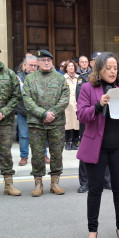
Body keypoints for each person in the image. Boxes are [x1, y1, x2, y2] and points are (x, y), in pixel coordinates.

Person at [76, 52, 119, 238]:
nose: (112, 72)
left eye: (115, 68)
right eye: (108, 68)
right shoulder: (88, 88)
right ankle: (92, 231)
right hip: (97, 147)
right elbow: (81, 115)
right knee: (95, 190)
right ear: (99, 70)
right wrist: (98, 105)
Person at [22, 49, 70, 196]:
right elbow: (27, 99)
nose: (46, 62)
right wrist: (42, 113)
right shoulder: (30, 79)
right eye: (43, 60)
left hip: (56, 123)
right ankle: (38, 183)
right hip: (37, 123)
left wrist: (52, 113)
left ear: (52, 62)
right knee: (37, 153)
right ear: (38, 62)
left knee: (56, 153)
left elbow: (65, 98)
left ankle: (55, 182)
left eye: (48, 60)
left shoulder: (60, 78)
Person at [75, 51, 112, 194]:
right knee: (87, 151)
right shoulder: (84, 79)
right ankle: (85, 182)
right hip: (89, 119)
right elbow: (81, 101)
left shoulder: (112, 82)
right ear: (92, 63)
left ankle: (106, 179)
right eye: (96, 60)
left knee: (106, 149)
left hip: (106, 120)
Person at [17, 55, 51, 166]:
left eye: (35, 66)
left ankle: (44, 155)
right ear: (25, 65)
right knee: (23, 135)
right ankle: (24, 156)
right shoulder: (18, 77)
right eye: (31, 65)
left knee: (41, 135)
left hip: (38, 112)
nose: (33, 68)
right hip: (23, 111)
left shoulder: (41, 76)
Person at [0, 60, 22, 196]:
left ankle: (8, 185)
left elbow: (16, 96)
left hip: (5, 121)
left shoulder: (9, 74)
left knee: (5, 152)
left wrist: (4, 111)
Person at [63, 60, 80, 151]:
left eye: (72, 66)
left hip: (77, 103)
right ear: (66, 68)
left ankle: (74, 142)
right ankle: (67, 142)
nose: (71, 67)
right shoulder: (63, 78)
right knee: (68, 123)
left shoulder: (79, 78)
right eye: (69, 66)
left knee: (76, 124)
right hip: (67, 104)